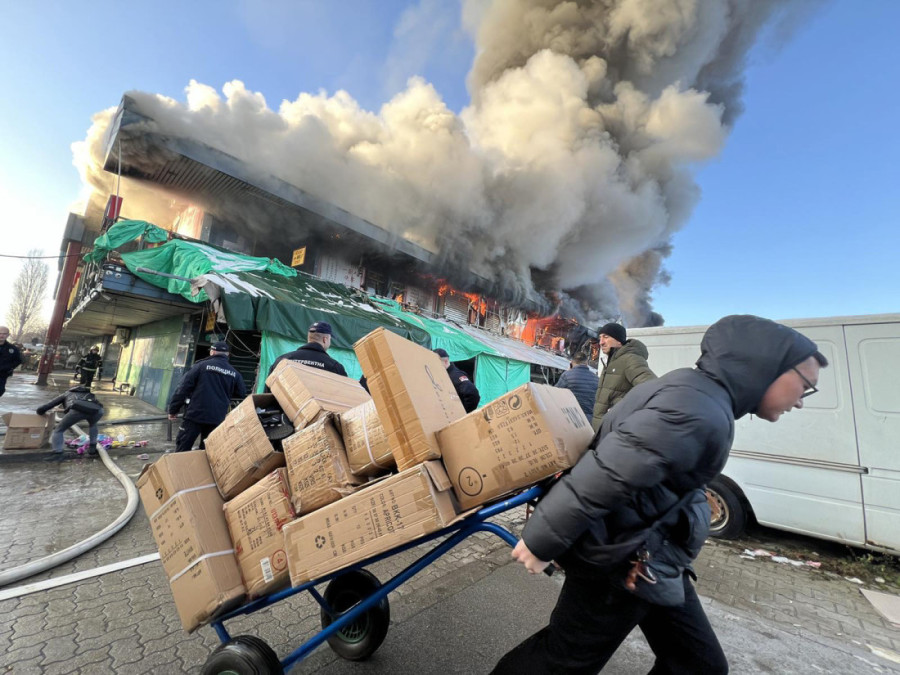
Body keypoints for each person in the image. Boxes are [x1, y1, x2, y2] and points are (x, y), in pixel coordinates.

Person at [492, 315, 829, 675]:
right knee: (562, 661)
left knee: (699, 665)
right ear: (767, 367)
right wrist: (542, 540)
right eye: (805, 386)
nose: (800, 402)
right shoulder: (698, 409)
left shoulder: (694, 390)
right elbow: (609, 472)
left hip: (656, 557)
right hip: (624, 560)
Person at [167, 341, 247, 452]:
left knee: (183, 447)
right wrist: (223, 393)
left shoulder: (200, 366)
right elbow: (241, 393)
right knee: (208, 451)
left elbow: (182, 389)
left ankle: (179, 469)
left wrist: (173, 410)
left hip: (195, 415)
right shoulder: (235, 373)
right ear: (227, 355)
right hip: (217, 417)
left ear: (212, 352)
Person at [591, 322, 656, 431]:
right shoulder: (611, 362)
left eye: (606, 337)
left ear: (619, 340)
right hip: (602, 432)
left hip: (615, 432)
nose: (601, 342)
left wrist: (622, 409)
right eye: (600, 338)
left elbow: (652, 389)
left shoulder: (630, 359)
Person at [37, 385, 105, 462]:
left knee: (59, 430)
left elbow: (49, 405)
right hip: (98, 411)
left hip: (77, 410)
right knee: (93, 424)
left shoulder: (67, 393)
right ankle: (92, 448)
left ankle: (58, 453)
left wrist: (40, 411)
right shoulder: (90, 394)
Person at [267, 321, 347, 377]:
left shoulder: (282, 361)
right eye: (330, 339)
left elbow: (267, 394)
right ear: (325, 340)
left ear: (309, 338)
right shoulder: (334, 367)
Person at [554, 352, 599, 421]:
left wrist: (568, 371)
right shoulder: (596, 378)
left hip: (572, 419)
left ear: (571, 363)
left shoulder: (567, 375)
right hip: (590, 420)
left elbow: (554, 393)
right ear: (587, 363)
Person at [434, 348, 481, 412]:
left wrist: (463, 413)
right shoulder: (445, 375)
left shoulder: (456, 376)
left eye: (437, 362)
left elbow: (473, 394)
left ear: (445, 361)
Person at [0, 326, 23, 397]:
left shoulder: (12, 348)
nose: (1, 335)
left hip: (2, 374)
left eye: (4, 334)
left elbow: (18, 360)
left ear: (8, 335)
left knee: (0, 390)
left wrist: (9, 367)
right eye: (0, 333)